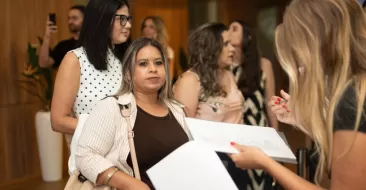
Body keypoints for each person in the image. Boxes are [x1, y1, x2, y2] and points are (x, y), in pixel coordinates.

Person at [230, 0, 366, 189]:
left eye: (299, 53)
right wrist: (304, 121)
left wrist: (266, 163)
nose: (300, 66)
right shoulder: (355, 90)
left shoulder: (353, 100)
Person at [75, 37, 191, 190]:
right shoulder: (112, 107)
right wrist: (131, 185)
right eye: (143, 64)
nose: (153, 69)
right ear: (128, 73)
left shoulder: (177, 110)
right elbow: (85, 156)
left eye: (158, 63)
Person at [50, 0, 131, 174]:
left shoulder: (122, 61)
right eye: (122, 19)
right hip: (91, 162)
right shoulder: (75, 59)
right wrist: (103, 129)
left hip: (124, 160)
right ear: (103, 19)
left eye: (128, 19)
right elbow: (58, 120)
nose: (128, 25)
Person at [173, 23, 247, 189]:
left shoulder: (229, 74)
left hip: (238, 157)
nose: (232, 49)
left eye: (232, 44)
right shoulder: (190, 80)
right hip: (209, 162)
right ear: (211, 47)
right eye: (226, 44)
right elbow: (185, 131)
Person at [229, 21, 278, 130]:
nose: (228, 32)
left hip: (258, 127)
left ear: (248, 36)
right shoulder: (226, 67)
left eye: (234, 29)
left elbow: (270, 103)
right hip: (234, 128)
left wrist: (276, 133)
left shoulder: (263, 65)